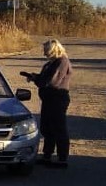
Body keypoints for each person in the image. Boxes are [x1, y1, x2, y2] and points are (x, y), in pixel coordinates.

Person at [20, 38, 72, 168]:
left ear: (53, 50)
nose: (44, 53)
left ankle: (62, 158)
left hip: (57, 99)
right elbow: (45, 79)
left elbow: (52, 81)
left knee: (59, 128)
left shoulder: (62, 62)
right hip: (49, 99)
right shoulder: (51, 63)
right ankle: (47, 155)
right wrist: (34, 77)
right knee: (47, 128)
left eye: (46, 51)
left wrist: (37, 80)